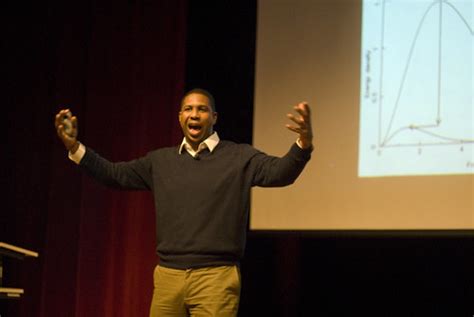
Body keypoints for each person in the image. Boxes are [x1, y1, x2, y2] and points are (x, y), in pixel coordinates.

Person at [54, 88, 313, 317]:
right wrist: (75, 147)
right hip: (169, 276)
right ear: (180, 117)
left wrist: (303, 144)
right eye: (188, 109)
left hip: (216, 277)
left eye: (202, 109)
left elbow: (281, 173)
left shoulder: (239, 157)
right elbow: (114, 175)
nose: (194, 114)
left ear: (214, 118)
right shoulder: (160, 161)